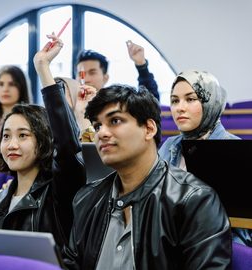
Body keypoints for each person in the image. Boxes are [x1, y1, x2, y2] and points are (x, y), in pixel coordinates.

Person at [62, 84, 231, 269]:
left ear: (149, 129)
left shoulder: (194, 201)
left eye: (115, 121)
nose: (101, 133)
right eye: (97, 126)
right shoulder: (86, 199)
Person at [0, 35, 86, 249]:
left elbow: (66, 145)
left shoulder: (59, 191)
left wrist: (43, 68)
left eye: (23, 135)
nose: (11, 144)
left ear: (44, 141)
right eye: (6, 136)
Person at [158, 70, 251, 246]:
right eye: (175, 100)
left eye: (191, 99)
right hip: (170, 240)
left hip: (220, 245)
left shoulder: (234, 149)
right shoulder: (170, 145)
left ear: (211, 101)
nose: (180, 107)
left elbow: (244, 229)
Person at [75, 41, 160, 100]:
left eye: (92, 72)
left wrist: (142, 66)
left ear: (105, 78)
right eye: (81, 74)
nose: (85, 79)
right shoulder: (69, 106)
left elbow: (150, 104)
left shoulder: (115, 104)